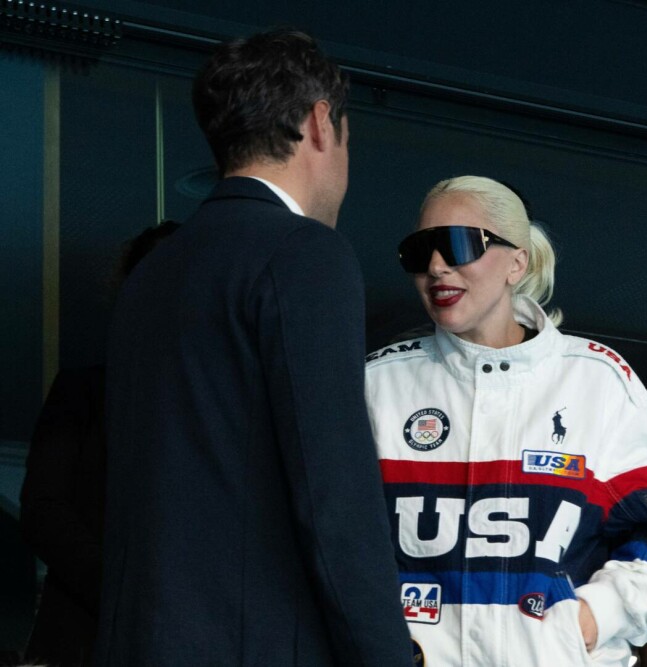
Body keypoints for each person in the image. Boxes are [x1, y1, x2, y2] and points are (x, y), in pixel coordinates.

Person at [95, 30, 411, 666]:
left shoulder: (156, 271)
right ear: (322, 123)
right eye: (347, 136)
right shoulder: (303, 254)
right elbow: (335, 500)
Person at [364, 175, 647, 666]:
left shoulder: (599, 381)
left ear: (516, 261)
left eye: (458, 244)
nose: (436, 266)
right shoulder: (377, 384)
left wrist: (584, 623)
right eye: (420, 252)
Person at [20, 222, 178, 667]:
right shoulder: (83, 391)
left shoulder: (231, 405)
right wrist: (126, 591)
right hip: (84, 636)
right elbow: (41, 511)